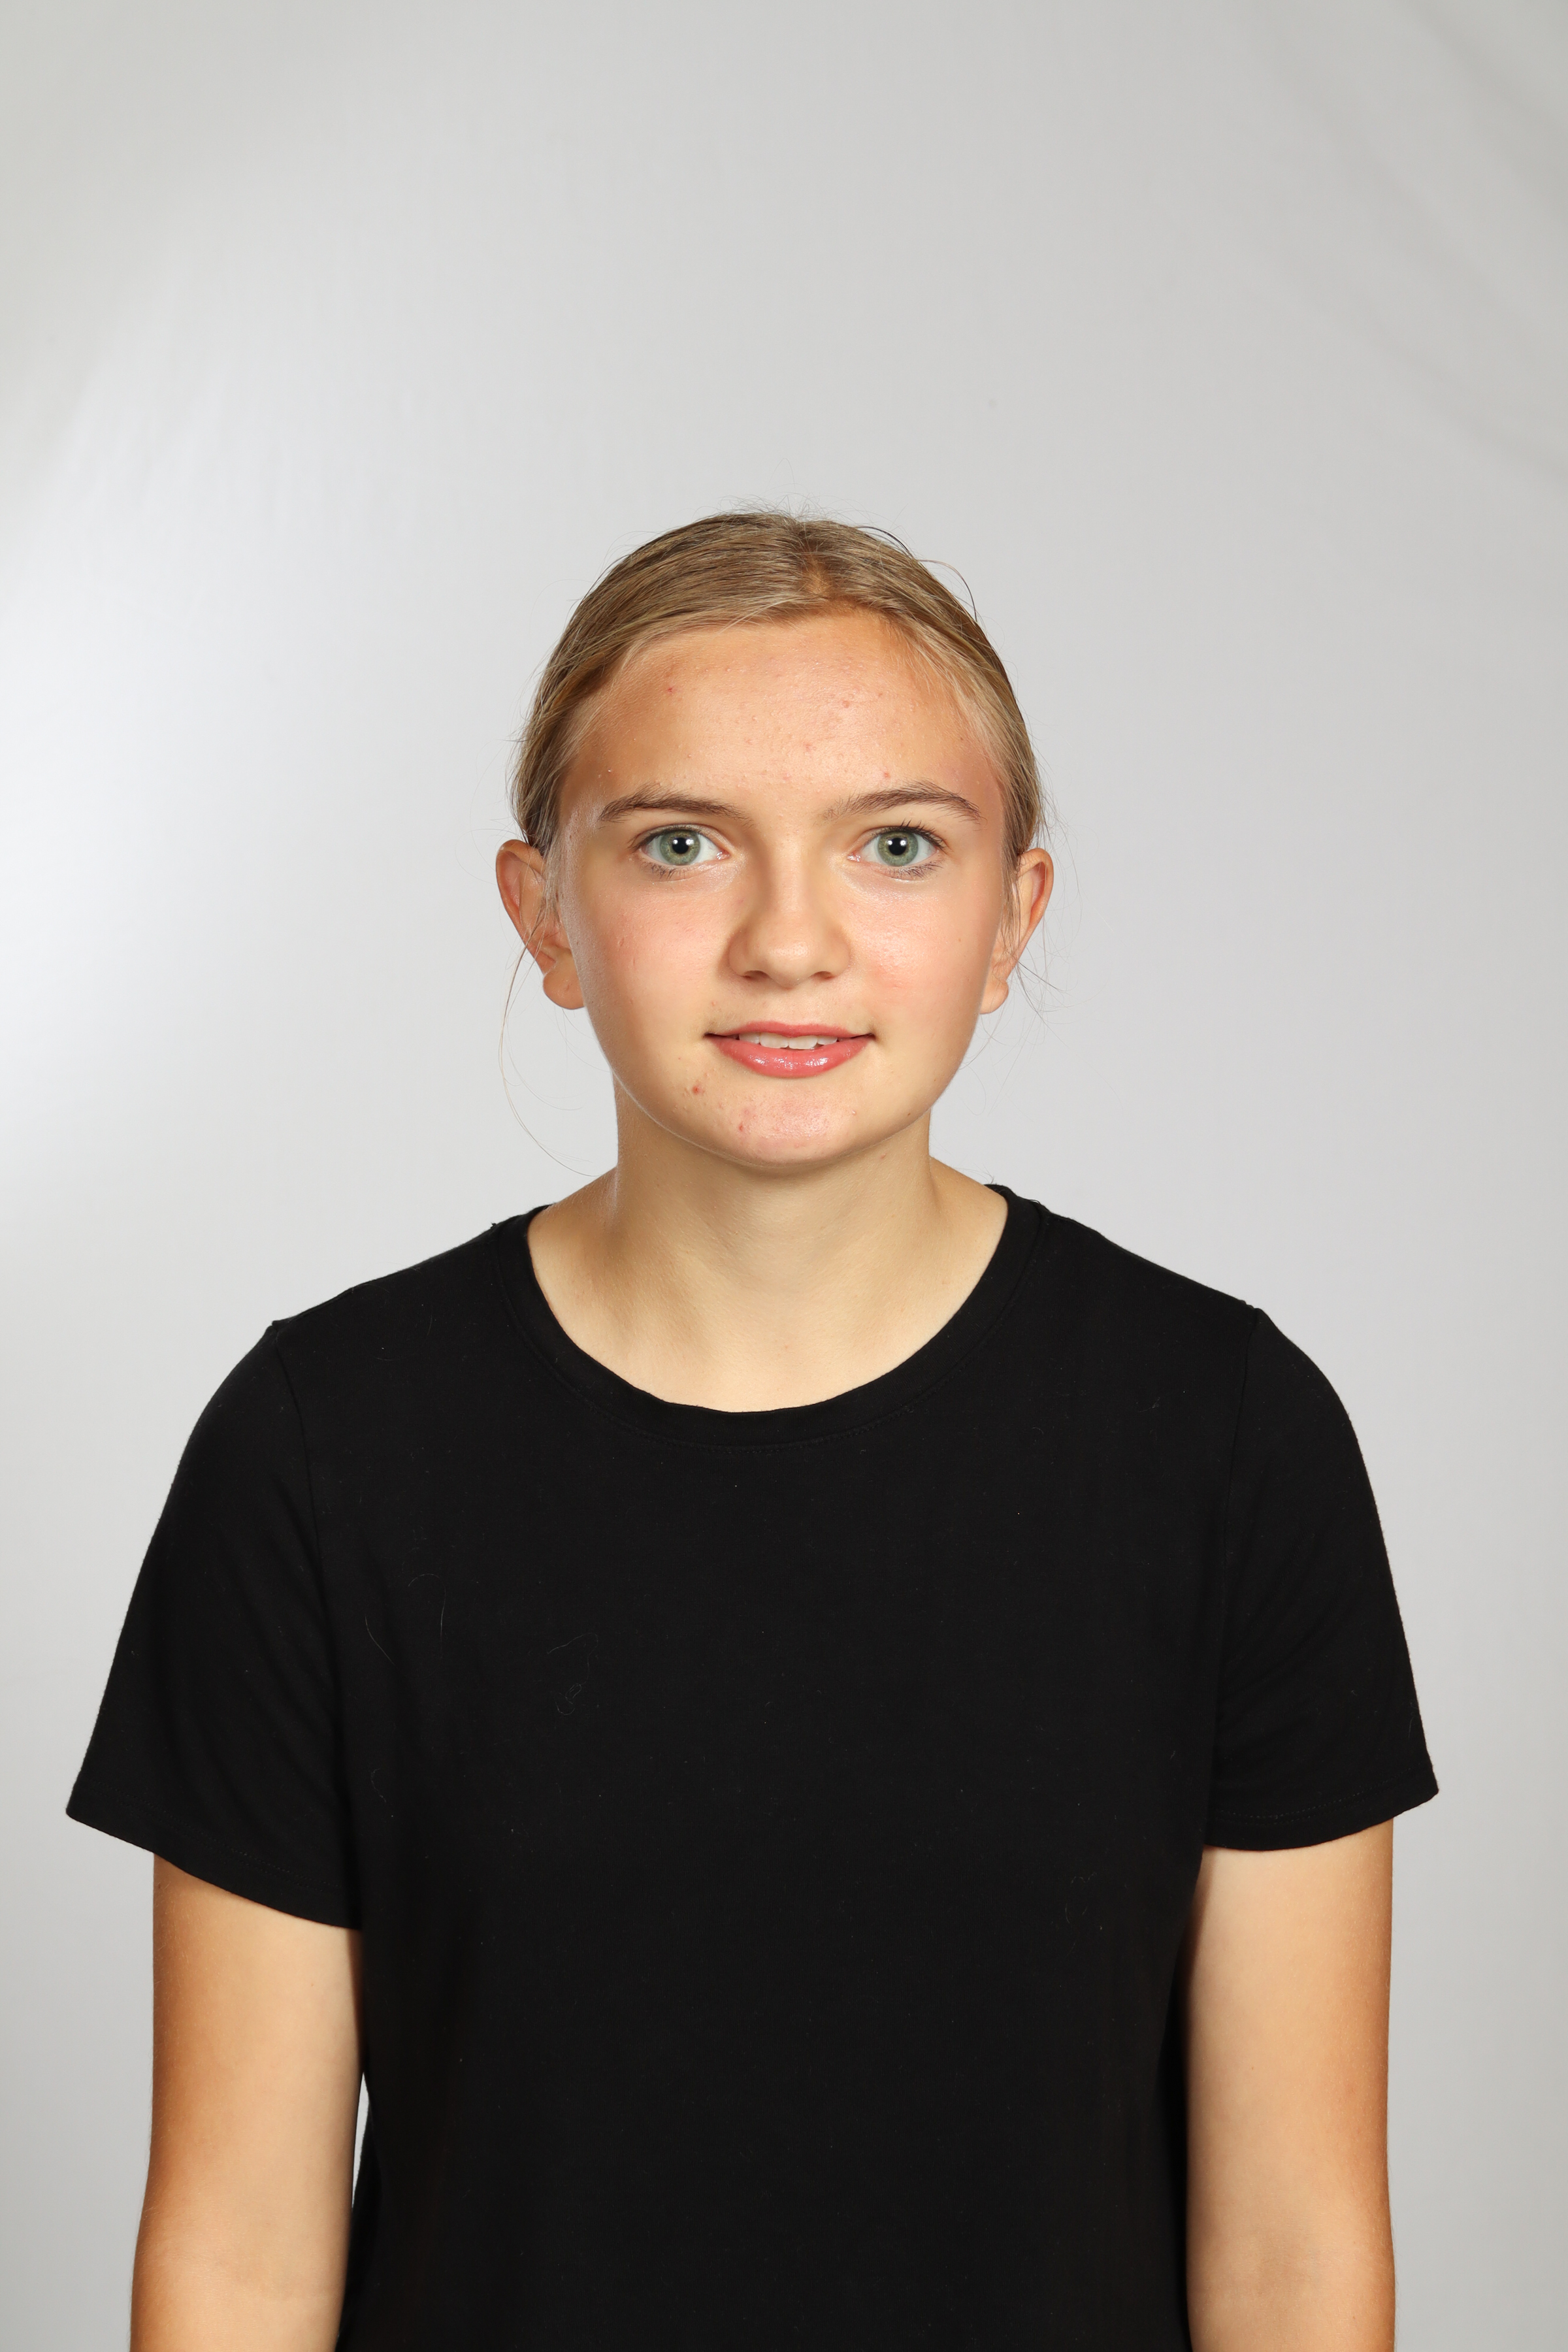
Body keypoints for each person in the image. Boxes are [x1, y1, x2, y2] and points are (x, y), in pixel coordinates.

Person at [69, 512, 1436, 2351]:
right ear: (545, 914)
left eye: (896, 845)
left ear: (1013, 917)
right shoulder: (317, 1453)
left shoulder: (1231, 1442)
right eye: (681, 843)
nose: (791, 942)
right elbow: (238, 2255)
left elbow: (1291, 2253)